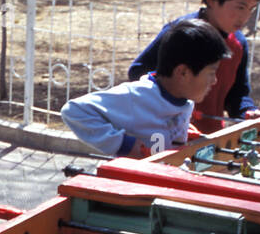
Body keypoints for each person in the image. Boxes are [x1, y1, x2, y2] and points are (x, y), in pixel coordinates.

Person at [129, 0, 260, 133]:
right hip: (168, 135)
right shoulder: (182, 33)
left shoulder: (239, 44)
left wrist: (248, 112)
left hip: (211, 139)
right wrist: (174, 112)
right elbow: (138, 71)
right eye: (240, 7)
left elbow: (238, 94)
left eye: (252, 9)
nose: (246, 16)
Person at [61, 19, 226, 157]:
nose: (215, 81)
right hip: (128, 188)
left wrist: (184, 137)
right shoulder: (135, 96)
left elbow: (160, 135)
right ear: (182, 73)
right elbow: (73, 111)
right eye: (211, 73)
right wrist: (124, 144)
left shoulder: (184, 100)